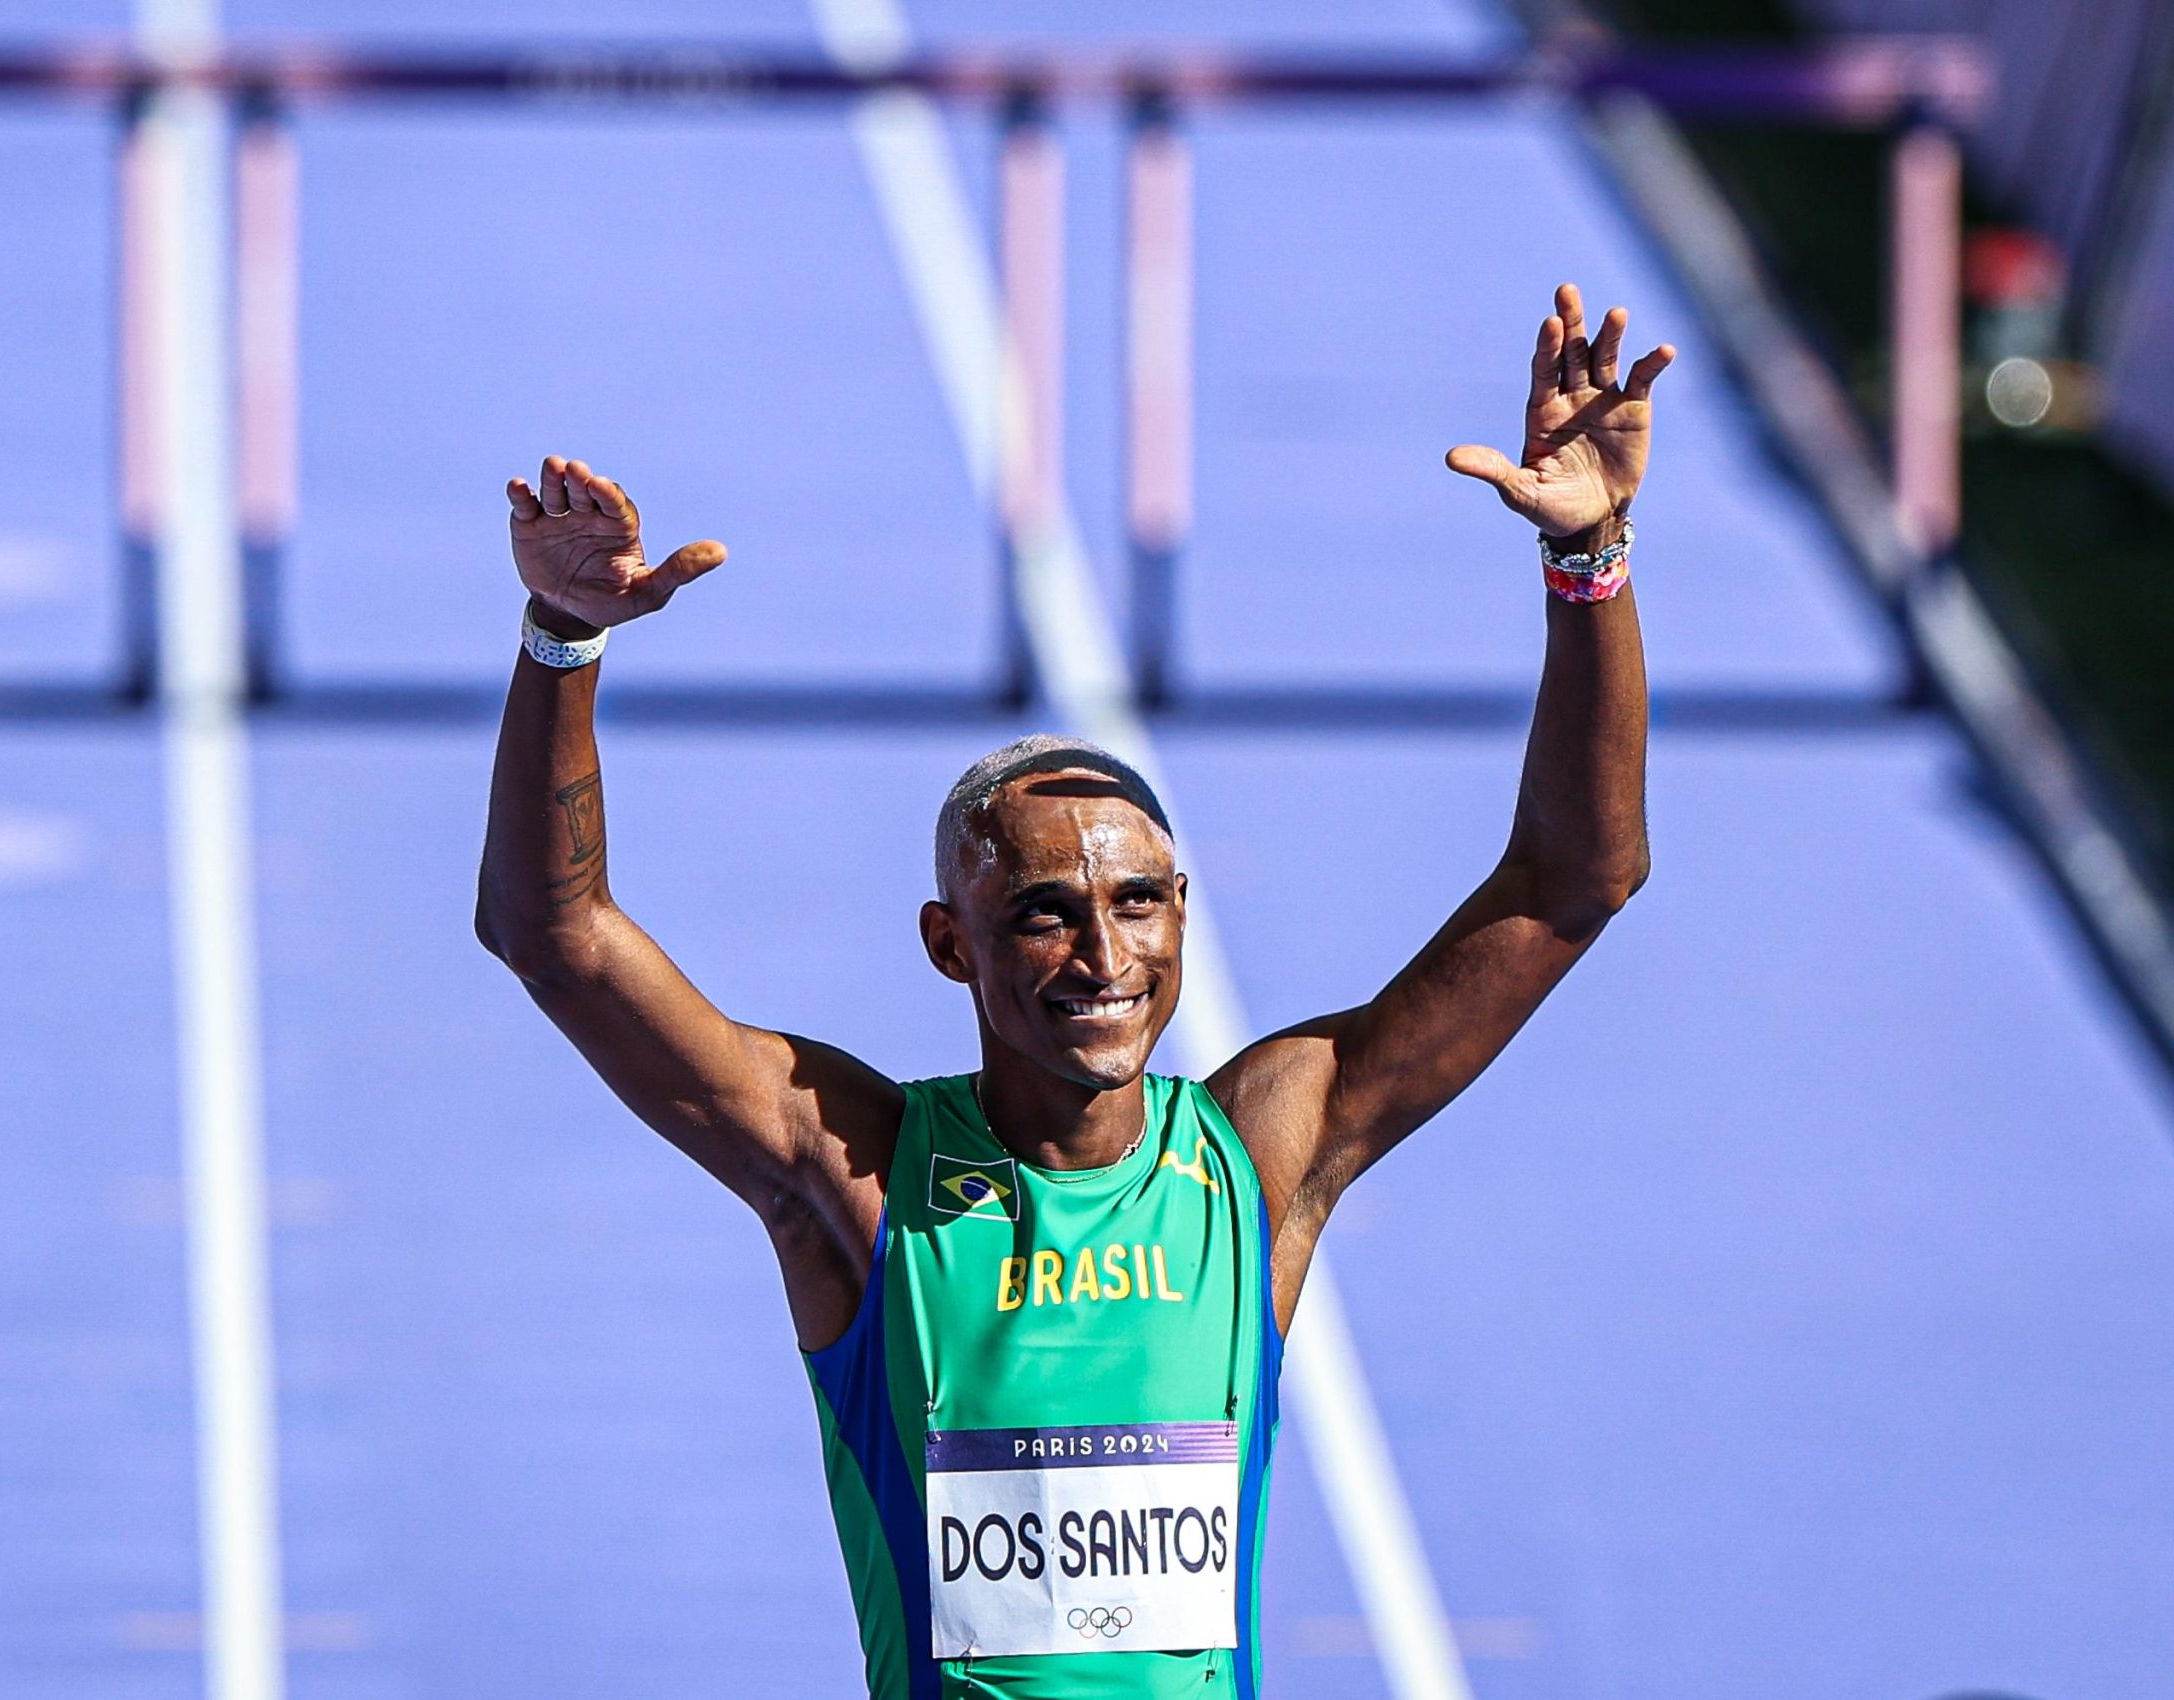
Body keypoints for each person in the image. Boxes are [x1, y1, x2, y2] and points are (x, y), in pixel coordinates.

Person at [477, 283, 1671, 1699]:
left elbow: (1569, 885)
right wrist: (563, 639)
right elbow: (554, 937)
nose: (1105, 960)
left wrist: (1591, 554)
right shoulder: (855, 1173)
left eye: (1137, 905)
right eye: (1042, 915)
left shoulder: (1264, 1153)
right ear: (949, 944)